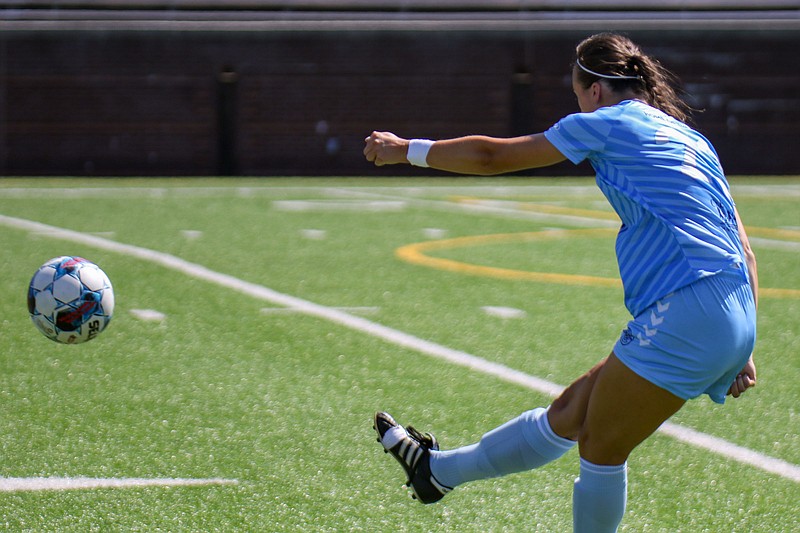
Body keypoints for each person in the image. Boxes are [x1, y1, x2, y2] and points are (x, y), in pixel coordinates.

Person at [364, 32, 758, 532]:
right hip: (733, 305)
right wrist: (741, 343)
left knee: (601, 445)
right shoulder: (690, 137)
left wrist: (406, 151)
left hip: (691, 308)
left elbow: (492, 157)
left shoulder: (609, 123)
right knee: (574, 410)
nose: (579, 106)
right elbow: (743, 247)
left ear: (594, 91)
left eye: (576, 95)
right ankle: (435, 472)